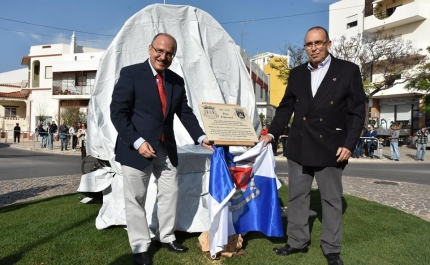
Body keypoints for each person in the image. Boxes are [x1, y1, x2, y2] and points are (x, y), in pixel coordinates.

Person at [259, 26, 365, 265]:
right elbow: (286, 108)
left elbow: (357, 112)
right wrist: (272, 134)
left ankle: (331, 248)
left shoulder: (348, 70)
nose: (314, 48)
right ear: (304, 47)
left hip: (332, 147)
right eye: (309, 44)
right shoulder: (296, 73)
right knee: (297, 196)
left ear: (328, 44)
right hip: (299, 144)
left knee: (331, 199)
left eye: (318, 43)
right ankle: (296, 241)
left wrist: (349, 144)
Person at [110, 33, 214, 265]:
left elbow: (184, 112)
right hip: (135, 149)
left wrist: (200, 137)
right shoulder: (131, 73)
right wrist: (137, 142)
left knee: (170, 194)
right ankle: (140, 247)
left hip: (165, 148)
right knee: (136, 198)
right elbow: (118, 112)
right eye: (159, 50)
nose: (163, 56)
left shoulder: (176, 80)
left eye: (169, 53)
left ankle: (166, 236)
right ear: (150, 49)